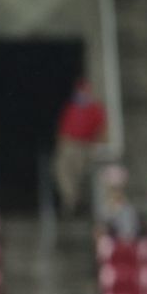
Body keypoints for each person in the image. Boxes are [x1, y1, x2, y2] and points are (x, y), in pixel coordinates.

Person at [52, 80, 106, 219]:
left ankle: (77, 204)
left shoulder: (95, 109)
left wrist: (96, 144)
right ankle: (70, 201)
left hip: (83, 145)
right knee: (61, 171)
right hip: (68, 144)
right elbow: (63, 128)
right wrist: (62, 143)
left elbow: (101, 128)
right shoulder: (72, 107)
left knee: (79, 173)